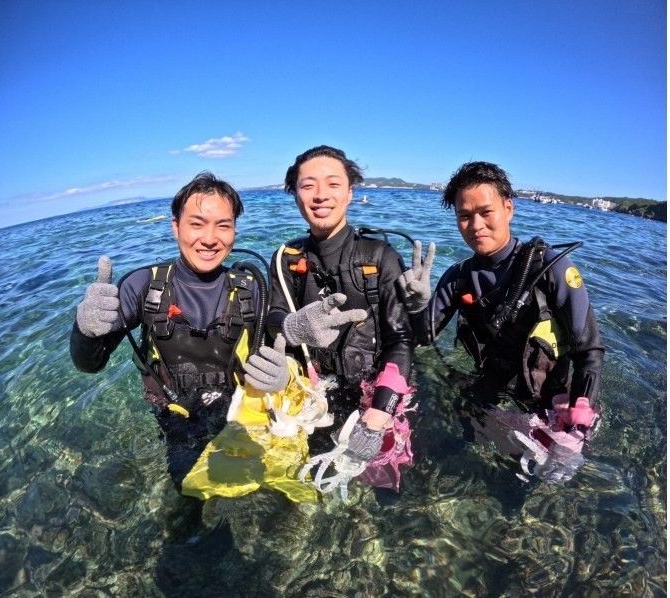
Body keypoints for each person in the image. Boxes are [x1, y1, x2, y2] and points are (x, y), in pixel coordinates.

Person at [69, 171, 319, 501]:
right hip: (175, 418)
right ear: (176, 227)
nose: (210, 238)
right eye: (197, 223)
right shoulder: (144, 286)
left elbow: (277, 337)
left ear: (234, 232)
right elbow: (90, 364)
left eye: (223, 225)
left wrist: (290, 351)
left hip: (237, 412)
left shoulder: (250, 288)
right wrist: (85, 330)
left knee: (280, 492)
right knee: (187, 503)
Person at [399, 161, 605, 484]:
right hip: (491, 387)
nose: (475, 225)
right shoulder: (458, 278)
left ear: (509, 208)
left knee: (532, 483)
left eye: (486, 212)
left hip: (551, 398)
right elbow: (421, 337)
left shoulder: (551, 268)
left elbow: (590, 350)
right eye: (464, 216)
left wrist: (578, 420)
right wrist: (415, 306)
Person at [248, 145, 417, 497]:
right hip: (316, 390)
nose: (320, 195)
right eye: (307, 185)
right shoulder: (285, 259)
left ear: (350, 192)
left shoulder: (381, 257)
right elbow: (273, 319)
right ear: (294, 195)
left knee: (383, 488)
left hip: (375, 389)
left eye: (332, 184)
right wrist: (292, 327)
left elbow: (400, 341)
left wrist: (377, 417)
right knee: (303, 484)